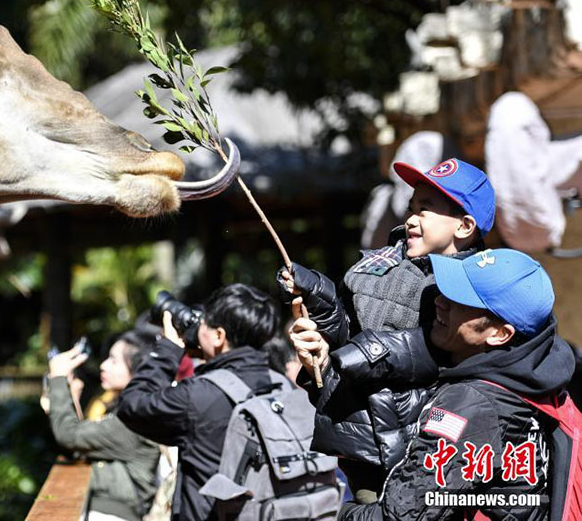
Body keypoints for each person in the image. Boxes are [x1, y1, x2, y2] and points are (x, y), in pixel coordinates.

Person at [293, 249, 575, 520]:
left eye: (461, 301)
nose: (440, 301)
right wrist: (325, 368)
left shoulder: (468, 406)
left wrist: (342, 514)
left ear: (500, 334)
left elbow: (402, 514)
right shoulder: (541, 383)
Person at [278, 157, 496, 500]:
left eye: (425, 210)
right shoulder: (378, 265)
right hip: (363, 442)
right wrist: (320, 303)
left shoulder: (478, 287)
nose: (410, 219)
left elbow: (436, 350)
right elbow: (345, 335)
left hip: (427, 447)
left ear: (465, 226)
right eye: (411, 208)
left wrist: (360, 355)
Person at [116, 283, 280, 521]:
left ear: (219, 336)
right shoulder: (281, 385)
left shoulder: (199, 396)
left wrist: (168, 350)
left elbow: (132, 405)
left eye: (204, 322)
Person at [46, 330, 161, 521]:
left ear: (138, 369)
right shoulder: (134, 409)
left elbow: (68, 435)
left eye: (114, 360)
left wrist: (58, 377)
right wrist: (69, 396)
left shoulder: (135, 419)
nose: (103, 365)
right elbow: (81, 444)